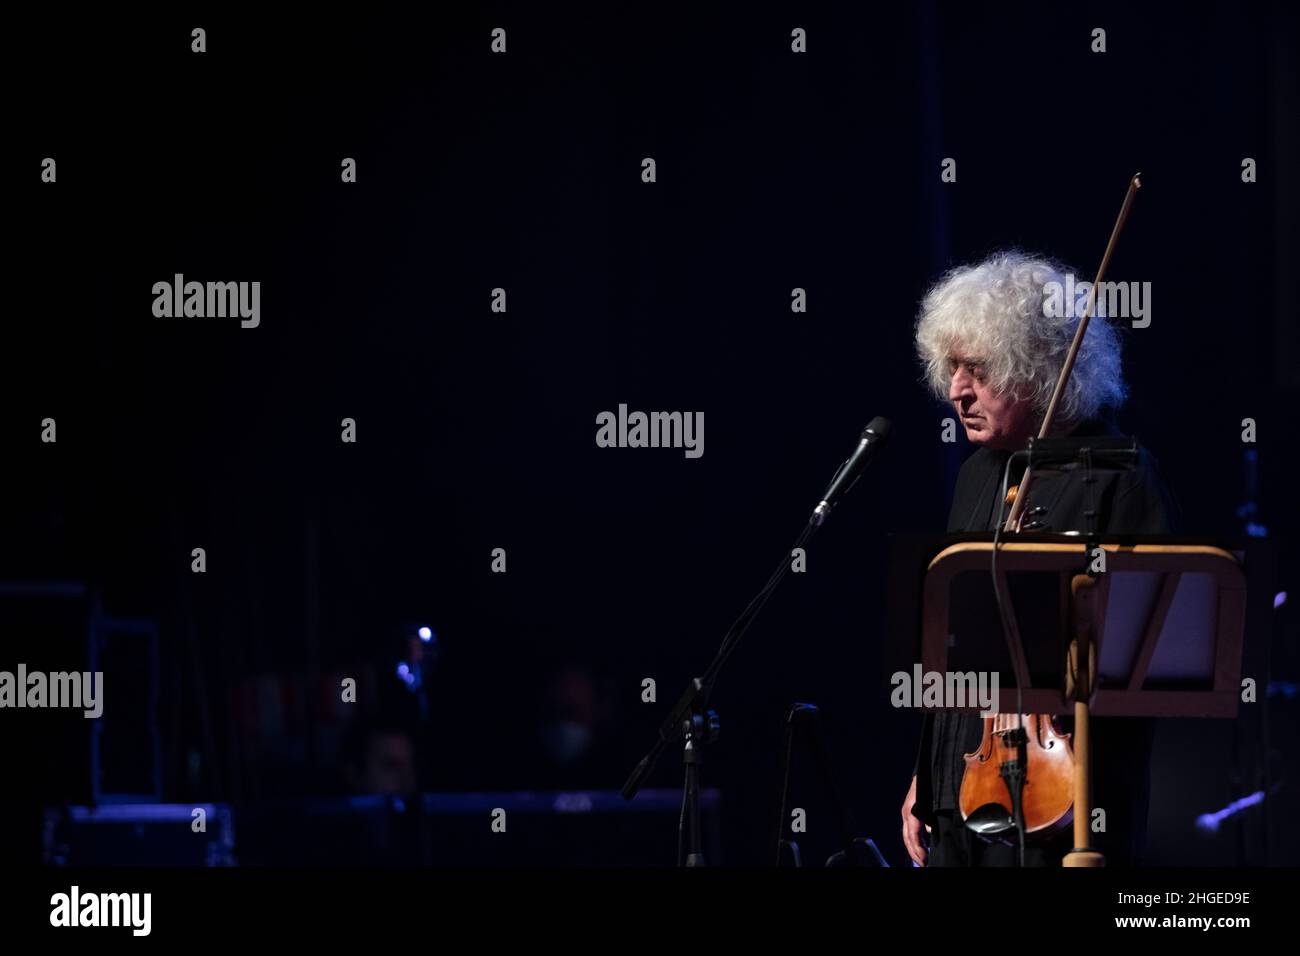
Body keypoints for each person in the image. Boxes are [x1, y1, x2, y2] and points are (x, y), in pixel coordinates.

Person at [900, 251, 1178, 867]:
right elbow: (955, 650)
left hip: (1065, 799)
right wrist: (927, 779)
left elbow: (1154, 655)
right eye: (951, 368)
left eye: (978, 368)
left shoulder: (1119, 477)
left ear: (1039, 370)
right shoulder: (977, 475)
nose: (955, 390)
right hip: (959, 790)